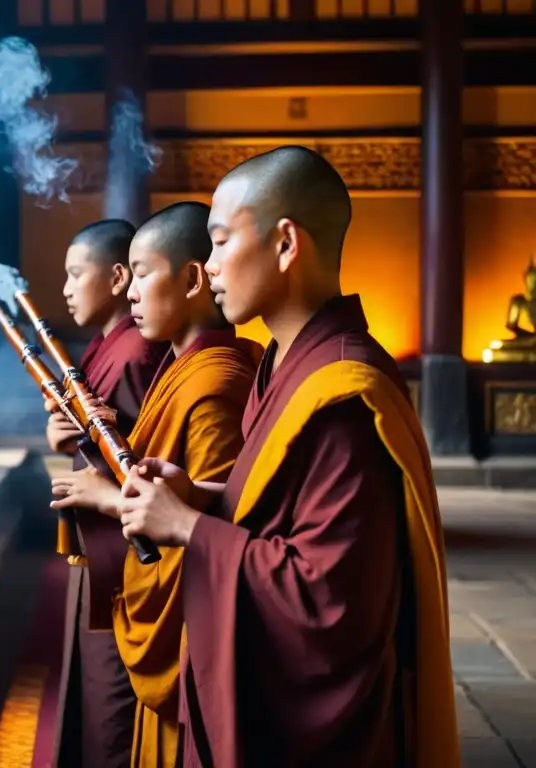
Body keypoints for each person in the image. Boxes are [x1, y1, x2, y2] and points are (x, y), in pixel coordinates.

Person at [115, 146, 460, 767]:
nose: (210, 264)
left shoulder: (344, 393)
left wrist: (189, 528)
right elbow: (274, 510)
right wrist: (202, 495)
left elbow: (329, 601)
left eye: (220, 242)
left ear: (284, 244)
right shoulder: (282, 365)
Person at [51, 202, 261, 768]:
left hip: (185, 619)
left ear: (192, 280)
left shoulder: (214, 380)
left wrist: (109, 496)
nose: (132, 294)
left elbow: (223, 514)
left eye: (141, 273)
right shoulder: (179, 369)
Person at [44, 219, 167, 768]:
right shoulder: (105, 348)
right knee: (95, 706)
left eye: (76, 274)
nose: (66, 288)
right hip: (97, 555)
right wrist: (62, 431)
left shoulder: (137, 353)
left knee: (112, 711)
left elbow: (144, 454)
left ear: (118, 277)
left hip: (125, 561)